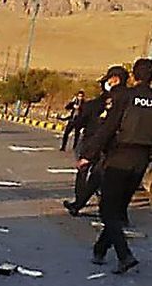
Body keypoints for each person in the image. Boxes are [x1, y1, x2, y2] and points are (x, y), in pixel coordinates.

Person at [79, 58, 152, 274]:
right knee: (118, 209)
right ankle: (100, 250)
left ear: (134, 75)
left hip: (119, 157)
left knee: (107, 209)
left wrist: (88, 155)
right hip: (142, 161)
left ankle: (124, 255)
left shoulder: (124, 96)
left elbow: (108, 128)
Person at [64, 66, 129, 216]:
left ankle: (79, 201)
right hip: (116, 145)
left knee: (85, 172)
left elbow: (83, 122)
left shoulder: (100, 103)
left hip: (94, 142)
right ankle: (88, 203)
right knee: (100, 176)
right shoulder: (129, 98)